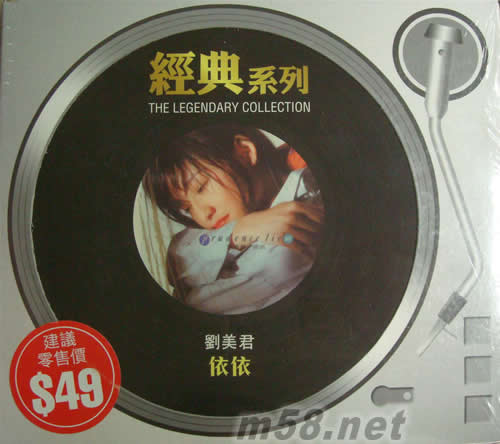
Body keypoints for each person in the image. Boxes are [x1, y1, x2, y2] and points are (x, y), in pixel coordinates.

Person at [142, 124, 323, 314]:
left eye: (201, 187)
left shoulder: (309, 198)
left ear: (245, 152)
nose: (203, 214)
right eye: (187, 208)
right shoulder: (204, 239)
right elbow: (178, 259)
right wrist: (239, 231)